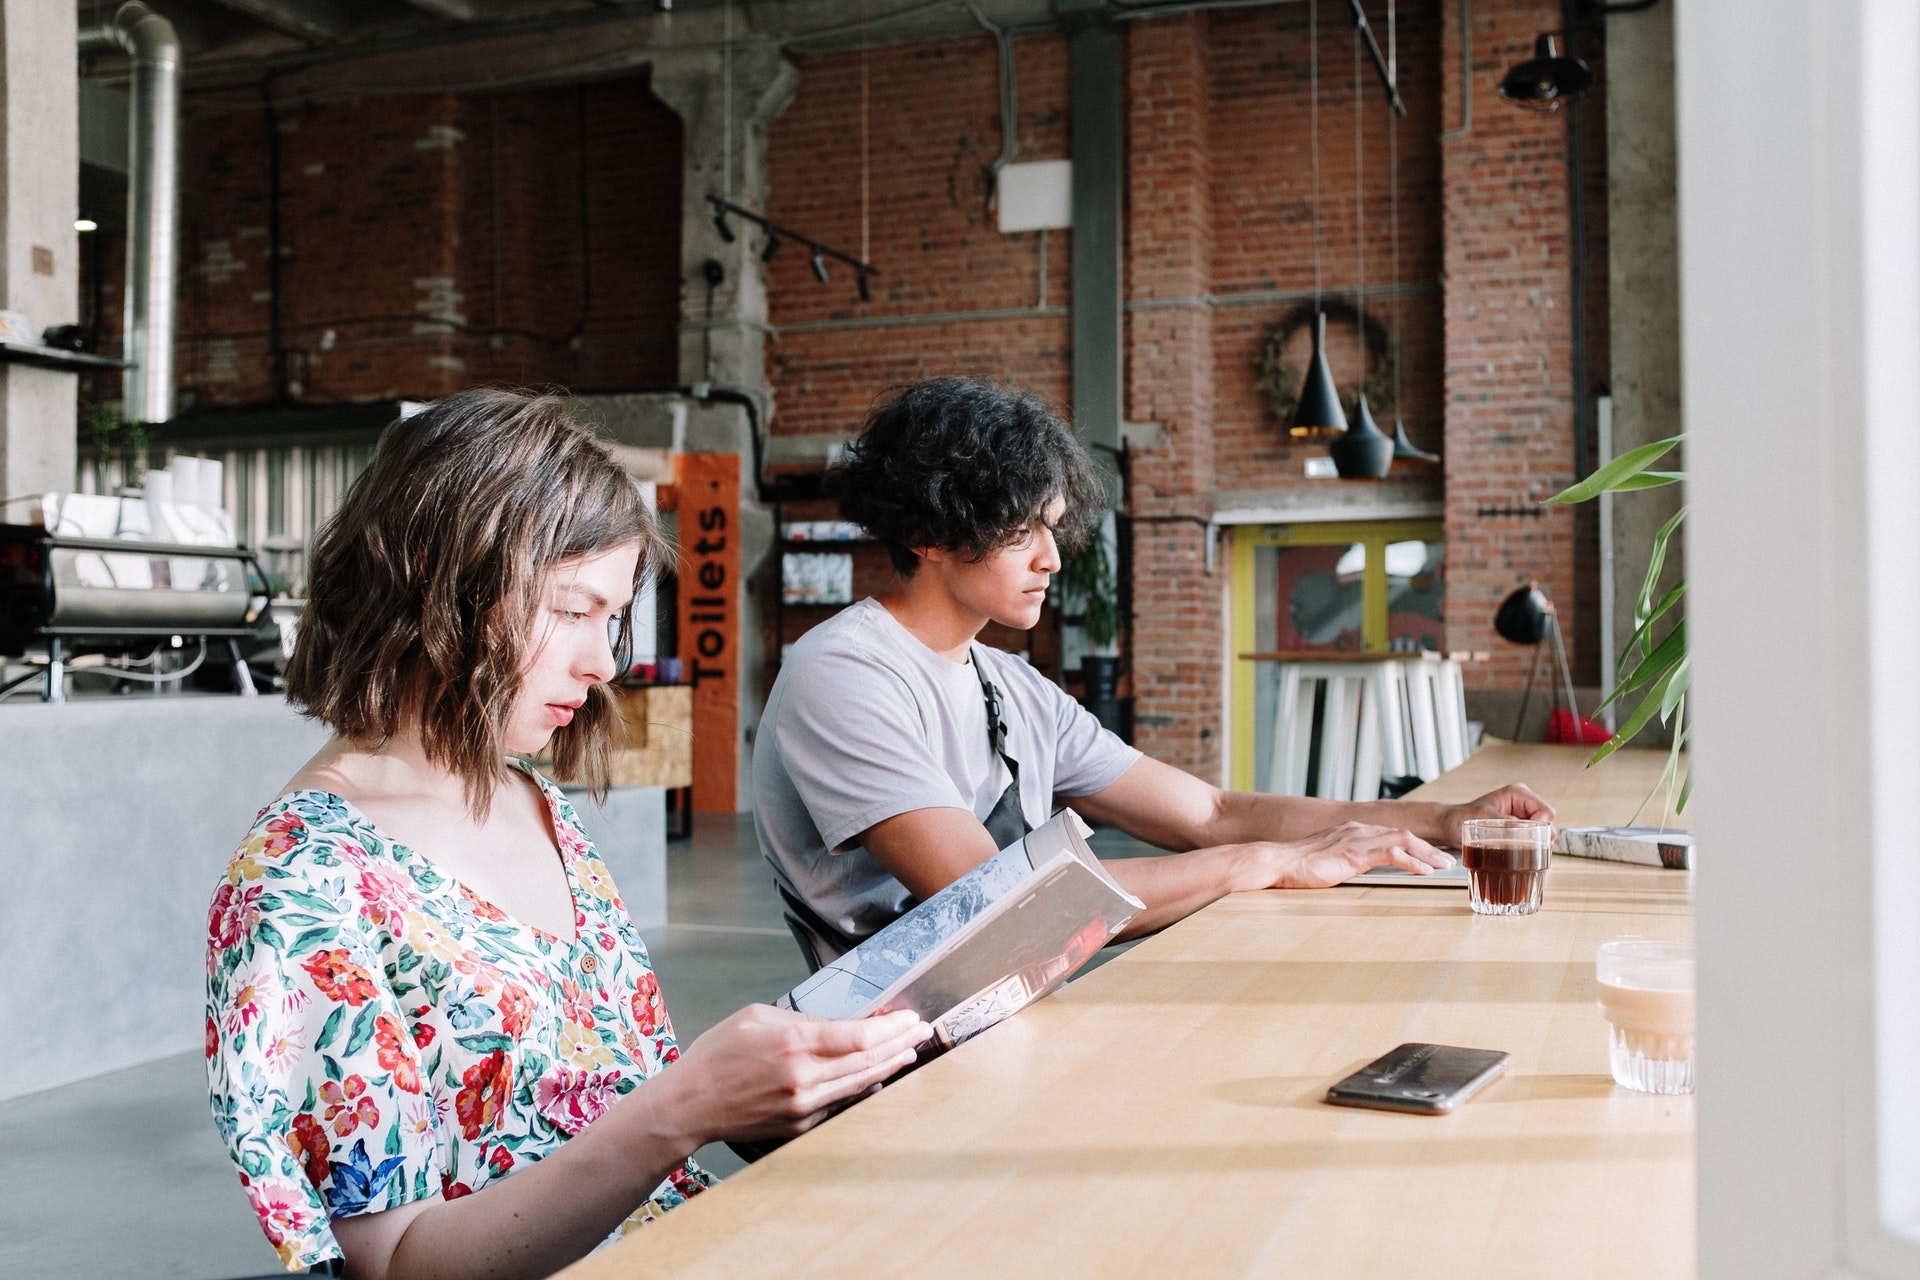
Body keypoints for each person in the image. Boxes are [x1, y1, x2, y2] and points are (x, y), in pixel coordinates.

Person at [205, 390, 929, 1279]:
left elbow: (604, 1110)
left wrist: (776, 1087)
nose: (605, 662)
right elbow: (393, 1265)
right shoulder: (304, 883)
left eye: (611, 617)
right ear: (439, 574)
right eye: (570, 610)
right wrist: (685, 1105)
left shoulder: (534, 800)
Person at [755, 377, 1554, 962]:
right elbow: (999, 903)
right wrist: (1262, 866)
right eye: (1018, 530)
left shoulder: (1010, 687)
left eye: (1053, 528)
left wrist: (1442, 820)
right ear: (926, 531)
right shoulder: (844, 674)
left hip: (1007, 1015)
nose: (1048, 559)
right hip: (895, 1059)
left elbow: (1210, 811)